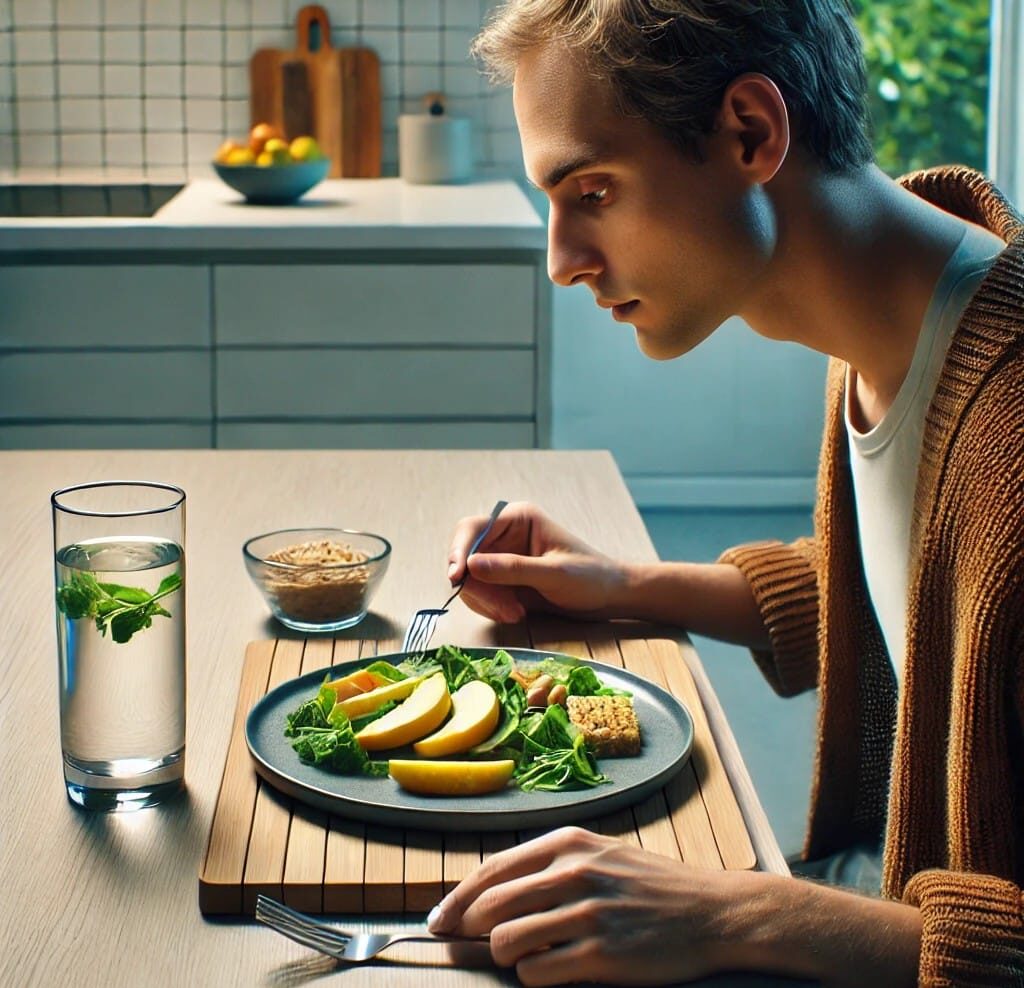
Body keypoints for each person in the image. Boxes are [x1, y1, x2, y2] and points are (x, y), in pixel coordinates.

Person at [424, 1, 1024, 985]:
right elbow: (916, 602)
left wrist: (744, 911)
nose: (562, 259)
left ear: (750, 132)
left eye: (594, 189)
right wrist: (620, 581)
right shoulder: (901, 320)